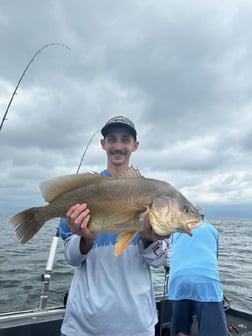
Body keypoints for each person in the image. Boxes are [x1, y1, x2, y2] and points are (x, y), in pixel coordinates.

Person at [60, 115, 170, 336]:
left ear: (135, 145)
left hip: (136, 326)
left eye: (125, 139)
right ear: (103, 144)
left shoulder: (154, 196)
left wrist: (148, 239)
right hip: (83, 326)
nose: (118, 146)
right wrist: (86, 239)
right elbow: (72, 258)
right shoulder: (84, 193)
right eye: (112, 139)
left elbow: (160, 260)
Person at [168, 211, 228, 336]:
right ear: (203, 217)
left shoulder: (176, 231)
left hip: (178, 281)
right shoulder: (211, 229)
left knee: (181, 329)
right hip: (205, 283)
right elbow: (214, 257)